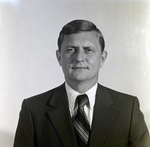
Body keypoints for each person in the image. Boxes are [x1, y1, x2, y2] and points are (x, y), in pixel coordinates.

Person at [14, 19, 150, 147]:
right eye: (70, 49)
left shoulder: (128, 108)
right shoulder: (32, 109)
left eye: (88, 50)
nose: (79, 58)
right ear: (59, 57)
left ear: (102, 58)